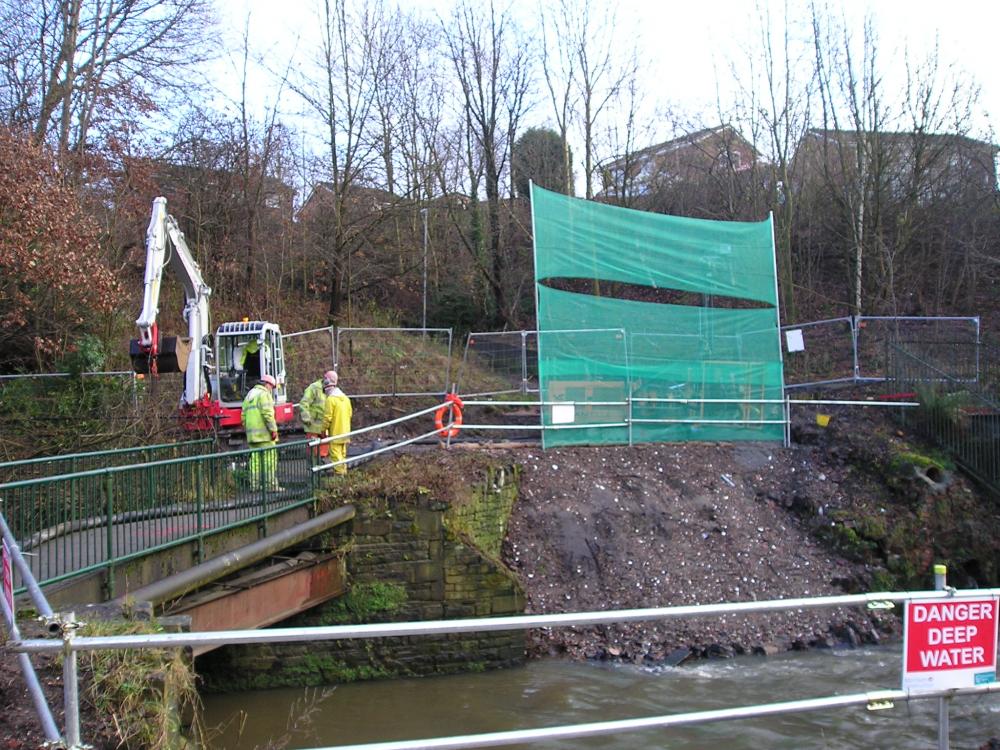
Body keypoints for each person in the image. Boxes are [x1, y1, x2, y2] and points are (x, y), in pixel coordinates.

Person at [241, 374, 283, 491]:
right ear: (266, 384)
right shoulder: (264, 395)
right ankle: (271, 486)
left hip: (252, 436)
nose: (271, 389)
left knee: (254, 462)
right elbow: (268, 414)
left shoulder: (249, 395)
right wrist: (273, 430)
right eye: (271, 386)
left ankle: (254, 486)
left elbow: (243, 416)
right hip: (265, 435)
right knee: (270, 460)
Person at [321, 371, 353, 475]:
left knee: (335, 456)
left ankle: (339, 476)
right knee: (342, 455)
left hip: (335, 433)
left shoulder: (331, 400)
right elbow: (350, 414)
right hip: (345, 432)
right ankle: (344, 474)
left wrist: (322, 431)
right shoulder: (345, 399)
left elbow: (327, 418)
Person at [300, 370, 336, 459]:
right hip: (313, 426)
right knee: (313, 451)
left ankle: (322, 469)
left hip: (324, 426)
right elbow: (304, 403)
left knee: (323, 451)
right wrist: (307, 419)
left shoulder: (331, 390)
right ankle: (313, 469)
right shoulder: (313, 388)